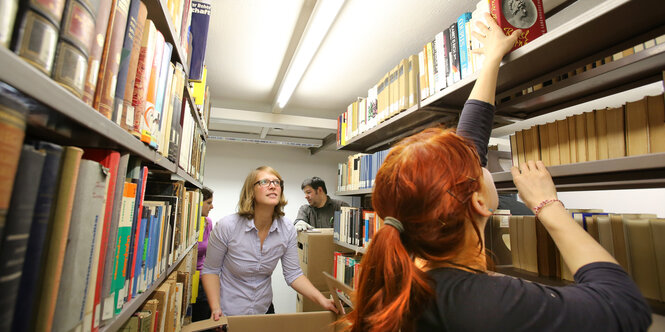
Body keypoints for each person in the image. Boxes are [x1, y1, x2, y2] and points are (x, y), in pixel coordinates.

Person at [345, 13, 651, 332]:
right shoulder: (484, 305)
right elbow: (624, 307)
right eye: (480, 166)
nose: (482, 161)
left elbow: (470, 140)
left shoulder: (409, 275)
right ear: (477, 202)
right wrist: (549, 206)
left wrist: (491, 59)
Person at [200, 166, 338, 319]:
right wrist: (215, 308)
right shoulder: (227, 226)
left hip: (263, 310)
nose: (273, 186)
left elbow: (293, 274)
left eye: (277, 182)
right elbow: (211, 270)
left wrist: (322, 300)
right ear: (250, 190)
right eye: (264, 182)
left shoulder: (286, 228)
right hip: (228, 312)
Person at [192, 187, 214, 323]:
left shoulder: (208, 223)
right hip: (189, 280)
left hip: (203, 280)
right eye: (209, 202)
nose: (212, 206)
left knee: (204, 321)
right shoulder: (189, 225)